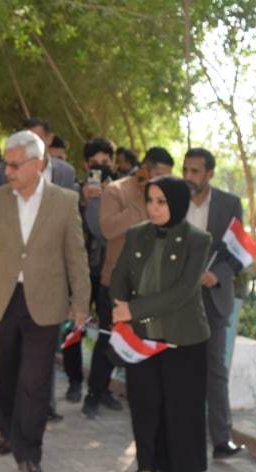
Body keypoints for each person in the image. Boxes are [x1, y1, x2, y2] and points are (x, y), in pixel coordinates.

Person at [0, 130, 89, 472]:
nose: (9, 171)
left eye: (16, 165)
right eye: (6, 163)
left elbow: (76, 257)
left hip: (46, 303)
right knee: (4, 373)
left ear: (38, 164)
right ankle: (7, 429)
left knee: (35, 380)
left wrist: (81, 303)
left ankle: (29, 450)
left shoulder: (64, 201)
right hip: (2, 300)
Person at [108, 175, 211, 472]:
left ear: (177, 204)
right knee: (144, 404)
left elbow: (182, 293)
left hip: (183, 340)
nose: (153, 208)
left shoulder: (198, 240)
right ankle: (145, 471)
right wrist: (120, 305)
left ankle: (168, 462)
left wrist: (132, 309)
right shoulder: (137, 234)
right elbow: (119, 277)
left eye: (161, 202)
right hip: (142, 340)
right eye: (150, 201)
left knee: (177, 407)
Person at [86, 147, 174, 416]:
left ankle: (137, 401)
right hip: (116, 280)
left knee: (141, 341)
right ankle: (94, 394)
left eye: (167, 176)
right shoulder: (116, 190)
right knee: (109, 339)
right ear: (145, 169)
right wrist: (142, 205)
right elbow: (108, 229)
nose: (163, 181)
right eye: (158, 174)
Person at [182, 147, 248, 459]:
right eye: (186, 170)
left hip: (212, 298)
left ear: (209, 173)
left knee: (214, 368)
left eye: (195, 171)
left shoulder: (229, 204)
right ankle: (176, 434)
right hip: (176, 300)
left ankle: (221, 440)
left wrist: (217, 275)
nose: (189, 177)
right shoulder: (173, 198)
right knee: (176, 367)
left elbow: (238, 251)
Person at [74, 137, 117, 417]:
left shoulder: (122, 191)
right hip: (79, 270)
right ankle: (74, 381)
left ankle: (99, 390)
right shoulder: (74, 192)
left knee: (108, 332)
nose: (101, 167)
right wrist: (84, 202)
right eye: (95, 163)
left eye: (106, 162)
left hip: (108, 274)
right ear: (85, 164)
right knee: (73, 328)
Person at [0, 117, 77, 192]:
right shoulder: (3, 171)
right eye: (27, 141)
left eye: (37, 140)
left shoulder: (66, 172)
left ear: (49, 139)